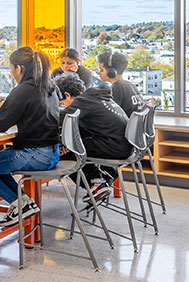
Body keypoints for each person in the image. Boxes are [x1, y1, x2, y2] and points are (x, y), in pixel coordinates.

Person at [0, 46, 60, 228]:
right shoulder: (49, 85)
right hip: (52, 152)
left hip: (34, 154)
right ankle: (23, 203)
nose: (12, 74)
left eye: (11, 69)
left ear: (19, 68)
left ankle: (19, 203)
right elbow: (35, 113)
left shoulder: (23, 90)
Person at [50, 69, 132, 207]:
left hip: (115, 147)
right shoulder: (94, 97)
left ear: (67, 95)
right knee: (77, 141)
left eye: (61, 103)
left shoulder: (82, 102)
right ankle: (103, 177)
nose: (62, 106)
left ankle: (97, 182)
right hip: (124, 144)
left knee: (65, 151)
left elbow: (59, 119)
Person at [97, 50, 146, 118]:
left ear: (111, 72)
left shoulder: (117, 87)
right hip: (132, 124)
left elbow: (110, 114)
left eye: (101, 70)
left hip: (124, 124)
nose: (99, 73)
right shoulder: (131, 85)